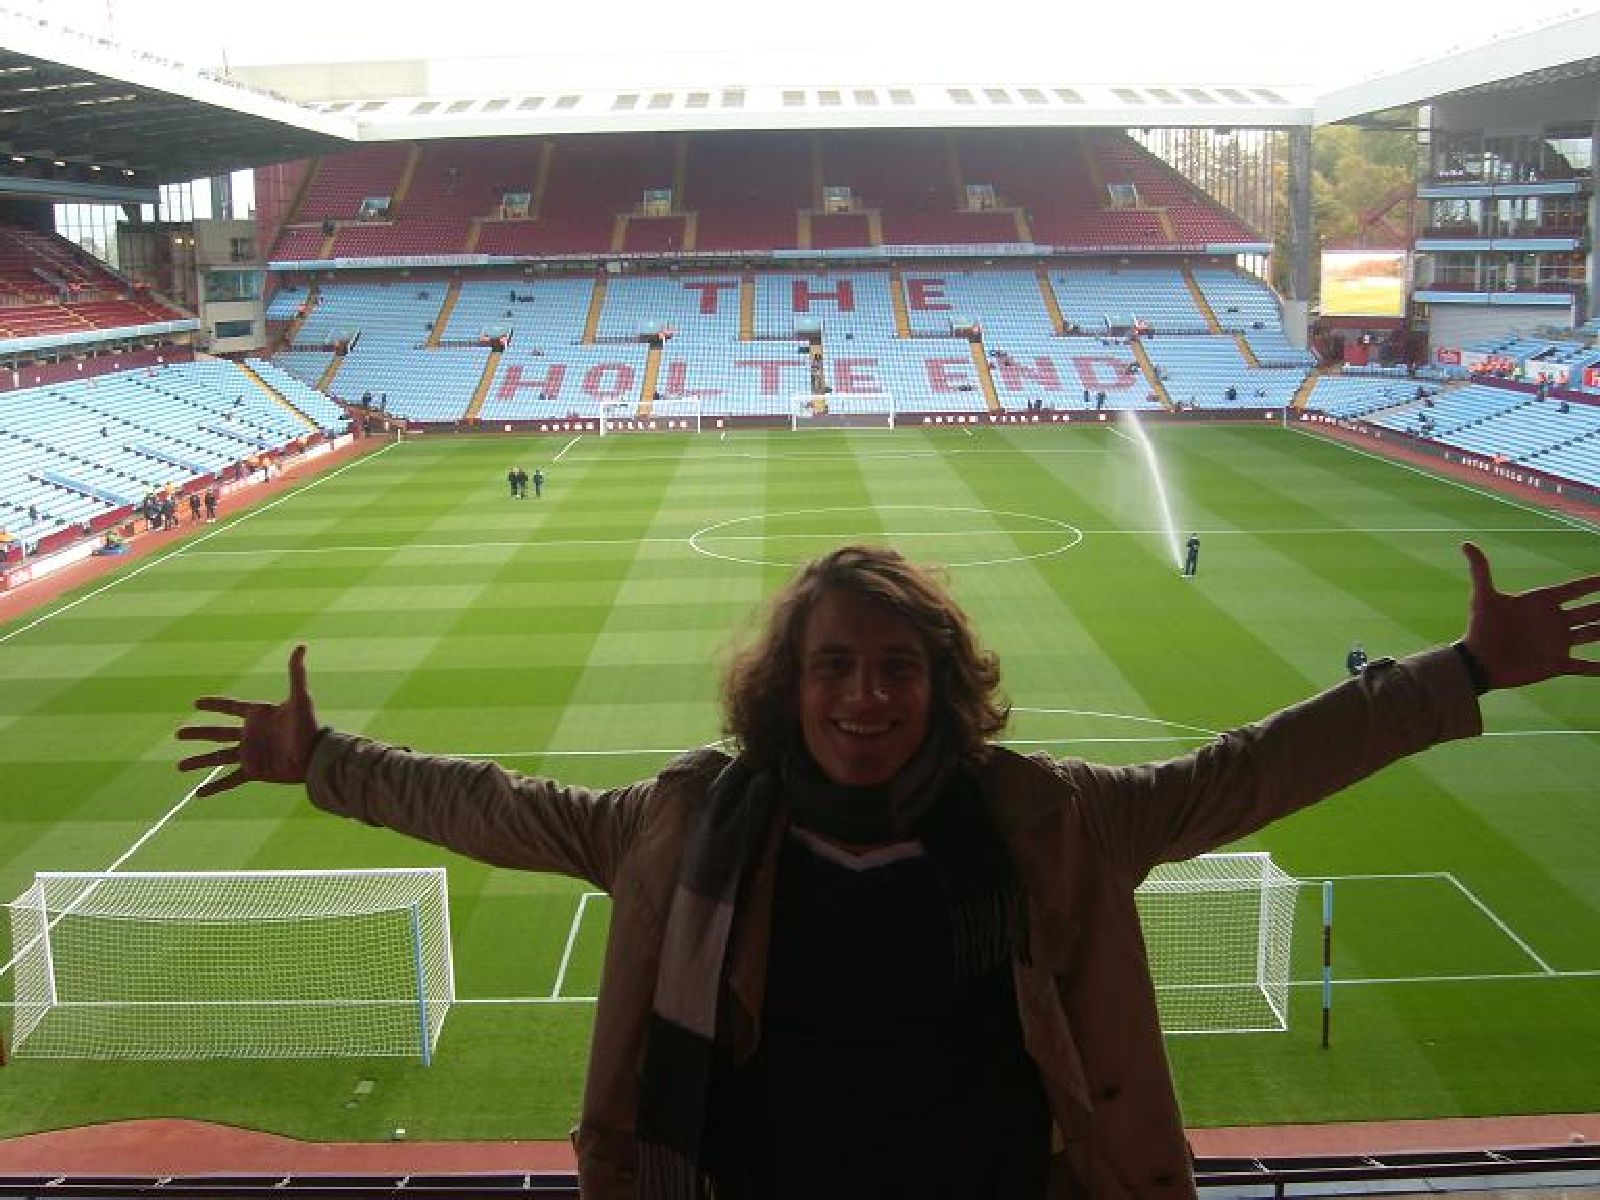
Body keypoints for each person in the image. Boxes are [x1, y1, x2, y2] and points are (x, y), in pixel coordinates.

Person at [175, 543, 1600, 1199]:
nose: (866, 699)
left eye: (896, 669)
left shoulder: (1053, 822)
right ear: (784, 688)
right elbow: (494, 807)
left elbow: (1254, 768)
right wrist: (328, 762)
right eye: (834, 668)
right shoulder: (684, 828)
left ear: (944, 684)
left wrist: (1463, 671)